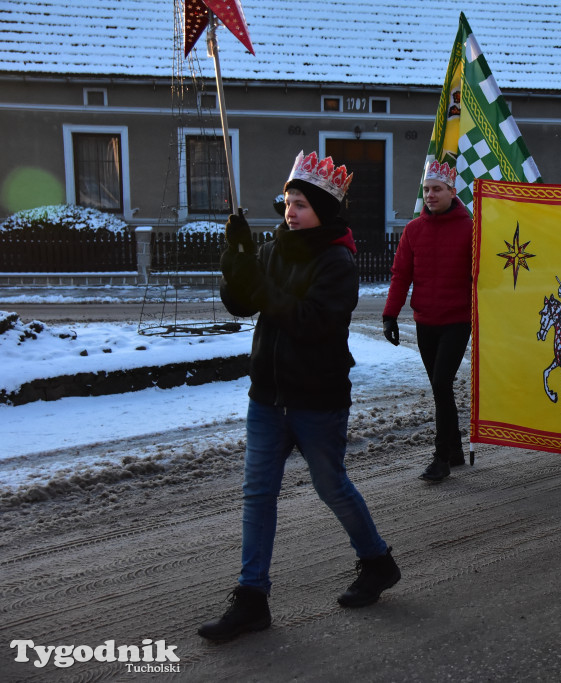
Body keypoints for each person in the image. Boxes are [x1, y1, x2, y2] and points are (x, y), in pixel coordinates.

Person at [199, 150, 400, 642]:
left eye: (302, 203)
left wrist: (259, 283)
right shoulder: (274, 249)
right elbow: (243, 304)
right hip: (267, 396)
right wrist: (238, 263)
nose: (291, 211)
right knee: (258, 494)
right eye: (288, 201)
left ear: (325, 210)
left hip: (317, 398)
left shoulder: (339, 261)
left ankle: (377, 562)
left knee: (331, 485)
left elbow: (311, 323)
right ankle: (252, 599)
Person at [383, 159, 473, 483]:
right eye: (427, 189)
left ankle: (441, 457)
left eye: (437, 189)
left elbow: (483, 275)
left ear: (452, 191)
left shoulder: (471, 228)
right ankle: (457, 449)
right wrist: (390, 315)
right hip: (425, 321)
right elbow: (400, 275)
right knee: (440, 389)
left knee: (440, 383)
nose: (431, 195)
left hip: (457, 320)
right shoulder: (413, 230)